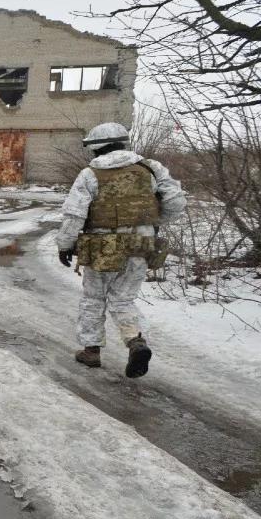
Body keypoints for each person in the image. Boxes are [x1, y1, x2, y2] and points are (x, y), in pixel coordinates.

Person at [56, 122, 186, 378]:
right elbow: (175, 201)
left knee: (94, 298)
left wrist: (65, 244)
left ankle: (91, 351)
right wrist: (153, 222)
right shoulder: (151, 168)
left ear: (97, 148)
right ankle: (135, 341)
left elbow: (74, 214)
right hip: (140, 244)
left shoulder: (90, 174)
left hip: (102, 246)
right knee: (124, 298)